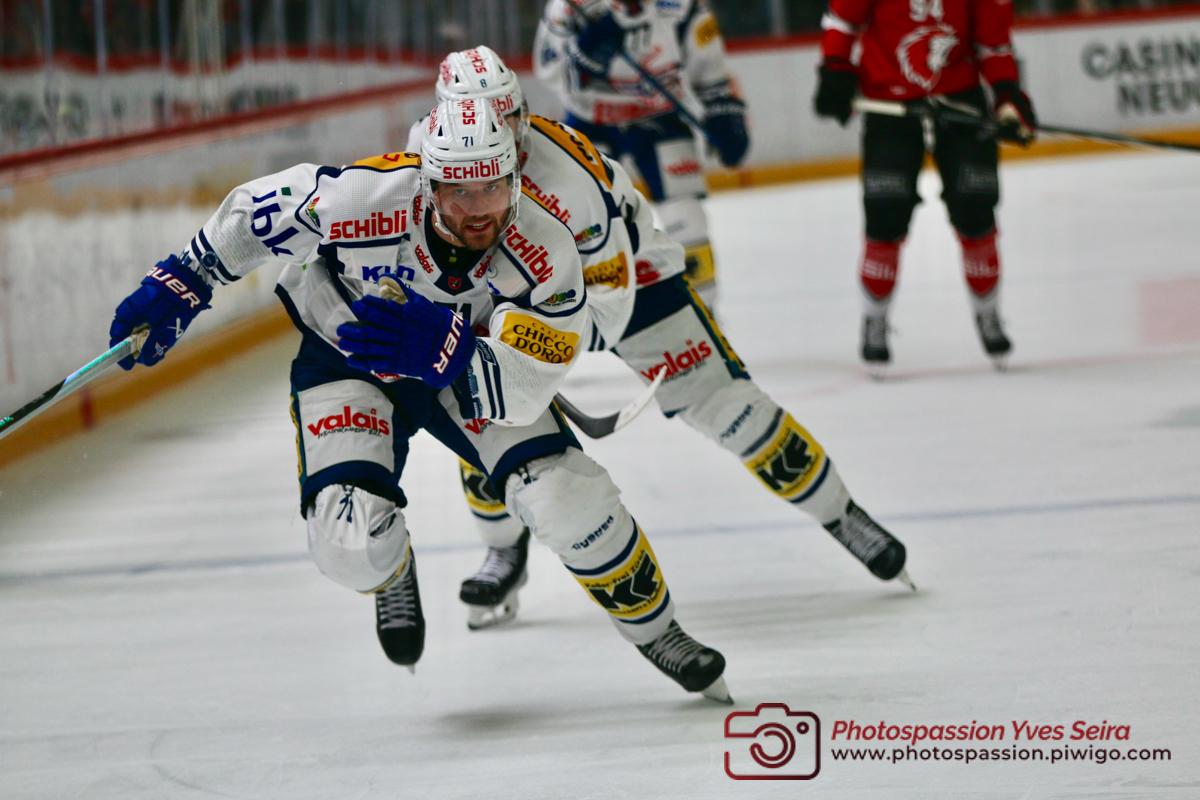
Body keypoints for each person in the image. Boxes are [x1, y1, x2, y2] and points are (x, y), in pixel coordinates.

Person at [106, 97, 730, 702]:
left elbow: (534, 377)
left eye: (493, 187)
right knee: (347, 543)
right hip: (350, 354)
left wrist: (451, 351)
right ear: (429, 184)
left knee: (568, 497)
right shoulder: (364, 196)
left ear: (515, 179)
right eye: (460, 191)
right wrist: (184, 279)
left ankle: (659, 631)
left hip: (469, 370)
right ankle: (392, 567)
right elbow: (255, 214)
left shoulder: (548, 249)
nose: (479, 210)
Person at [416, 47, 912, 632]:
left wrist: (536, 346)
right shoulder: (424, 154)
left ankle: (841, 513)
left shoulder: (570, 180)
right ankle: (503, 550)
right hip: (510, 295)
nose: (508, 142)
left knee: (730, 408)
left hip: (632, 285)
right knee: (482, 417)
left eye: (511, 120)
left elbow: (607, 304)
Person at [812, 0, 1037, 370]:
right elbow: (842, 20)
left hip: (960, 98)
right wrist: (835, 67)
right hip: (887, 98)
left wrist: (1006, 94)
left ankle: (988, 312)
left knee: (975, 205)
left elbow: (993, 42)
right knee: (885, 211)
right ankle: (874, 318)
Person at [534, 0, 749, 310]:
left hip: (660, 120)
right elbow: (548, 69)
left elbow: (709, 63)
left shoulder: (683, 6)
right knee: (584, 222)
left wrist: (724, 112)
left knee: (687, 219)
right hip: (591, 123)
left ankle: (703, 312)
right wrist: (584, 57)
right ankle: (595, 314)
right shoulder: (567, 8)